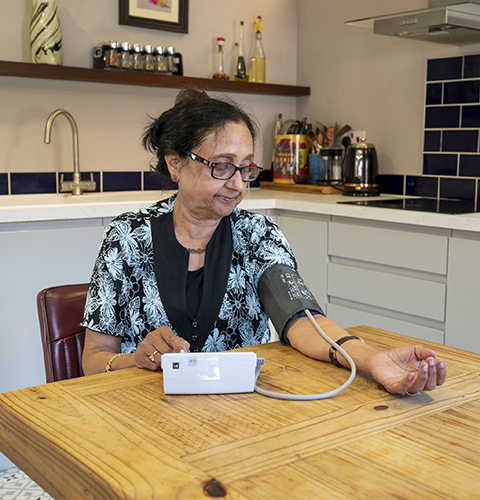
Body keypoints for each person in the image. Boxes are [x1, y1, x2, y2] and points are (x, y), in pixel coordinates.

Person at [81, 89, 446, 396]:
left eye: (246, 169)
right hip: (141, 415)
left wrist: (370, 359)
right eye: (221, 166)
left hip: (243, 413)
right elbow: (95, 358)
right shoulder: (126, 237)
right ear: (175, 164)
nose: (238, 184)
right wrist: (135, 361)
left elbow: (302, 320)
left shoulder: (258, 235)